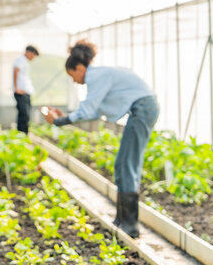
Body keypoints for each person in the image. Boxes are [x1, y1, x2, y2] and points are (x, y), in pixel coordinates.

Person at [41, 41, 159, 238]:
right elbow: (93, 110)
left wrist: (60, 121)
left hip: (144, 109)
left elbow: (87, 109)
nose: (75, 81)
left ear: (79, 68)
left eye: (73, 76)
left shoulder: (96, 76)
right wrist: (65, 117)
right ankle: (122, 219)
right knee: (121, 165)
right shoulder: (100, 76)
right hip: (140, 110)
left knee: (128, 165)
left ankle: (131, 226)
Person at [13, 45, 39, 133]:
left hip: (25, 91)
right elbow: (15, 71)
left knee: (25, 114)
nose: (33, 58)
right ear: (28, 52)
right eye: (33, 55)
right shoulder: (20, 60)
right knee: (24, 114)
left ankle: (24, 133)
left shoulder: (25, 61)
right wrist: (16, 88)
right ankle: (22, 133)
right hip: (21, 92)